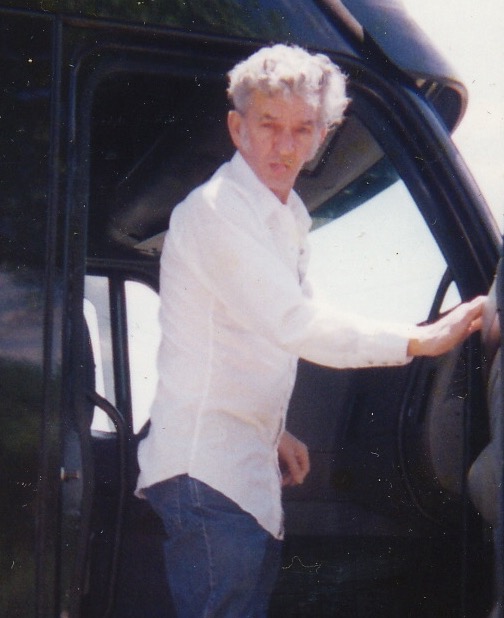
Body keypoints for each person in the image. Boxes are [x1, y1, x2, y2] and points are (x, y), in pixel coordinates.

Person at [135, 44, 485, 617]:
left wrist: (275, 431)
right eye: (269, 124)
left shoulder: (285, 216)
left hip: (236, 470)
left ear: (321, 136)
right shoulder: (219, 211)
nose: (285, 145)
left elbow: (261, 330)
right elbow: (296, 324)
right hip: (210, 473)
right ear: (238, 128)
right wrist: (418, 340)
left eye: (302, 129)